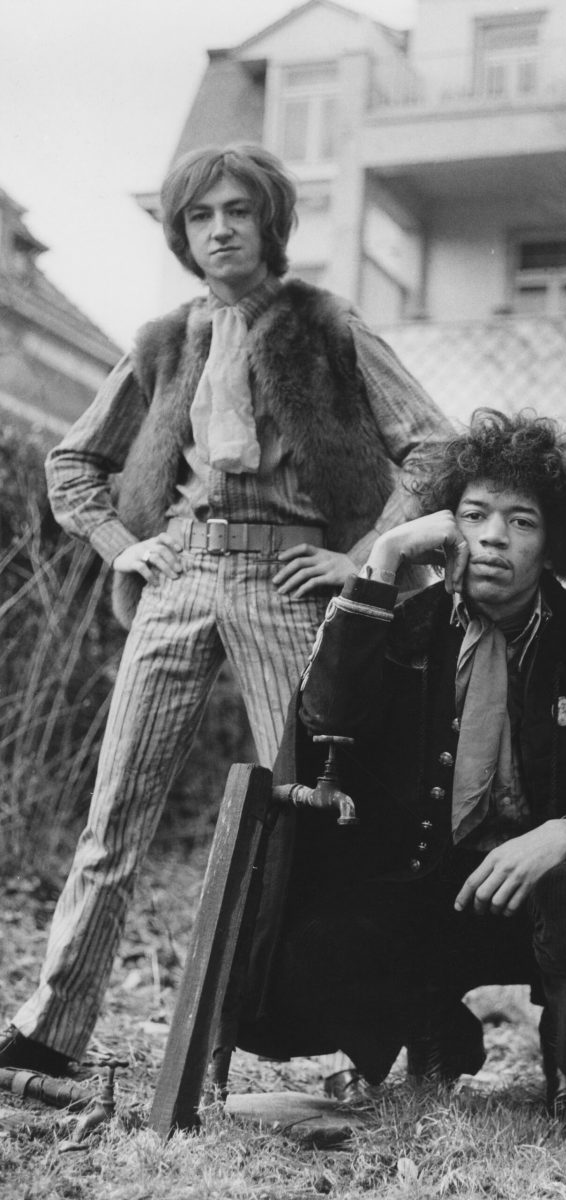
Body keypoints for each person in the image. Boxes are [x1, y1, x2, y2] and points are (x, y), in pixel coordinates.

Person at [0, 143, 452, 1076]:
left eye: (238, 210)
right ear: (181, 233)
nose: (219, 230)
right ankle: (51, 1029)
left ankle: (342, 1028)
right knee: (115, 811)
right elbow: (72, 462)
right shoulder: (164, 340)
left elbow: (434, 448)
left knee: (317, 813)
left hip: (288, 584)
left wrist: (361, 556)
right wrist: (124, 545)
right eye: (200, 216)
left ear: (270, 221)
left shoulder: (328, 324)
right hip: (180, 578)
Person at [233, 409, 566, 1118]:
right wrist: (383, 559)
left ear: (553, 542)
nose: (494, 536)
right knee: (317, 939)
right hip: (424, 889)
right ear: (447, 530)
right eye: (474, 515)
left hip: (549, 894)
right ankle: (433, 1029)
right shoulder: (403, 625)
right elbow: (326, 718)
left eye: (521, 521)